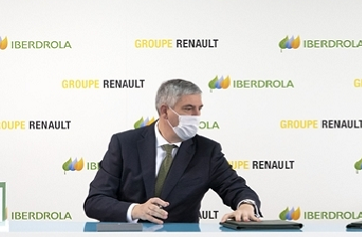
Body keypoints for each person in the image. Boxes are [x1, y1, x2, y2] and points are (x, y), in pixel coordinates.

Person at [84, 79, 261, 224]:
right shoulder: (125, 144)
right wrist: (136, 210)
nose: (196, 115)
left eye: (199, 109)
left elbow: (236, 188)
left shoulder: (207, 151)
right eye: (188, 109)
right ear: (164, 111)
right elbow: (95, 201)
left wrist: (246, 206)